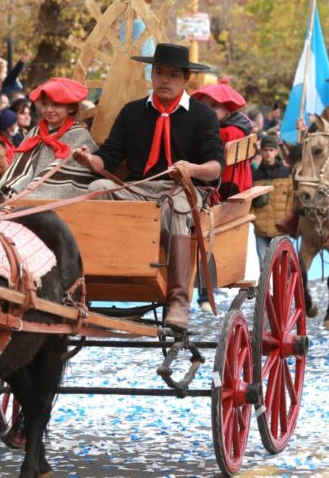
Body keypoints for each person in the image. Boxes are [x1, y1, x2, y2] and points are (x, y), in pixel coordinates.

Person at [75, 43, 224, 331]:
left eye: (173, 74)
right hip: (137, 188)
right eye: (159, 72)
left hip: (185, 189)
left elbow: (216, 166)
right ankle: (84, 284)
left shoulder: (202, 115)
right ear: (151, 75)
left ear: (185, 79)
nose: (165, 79)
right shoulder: (132, 112)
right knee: (95, 188)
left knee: (177, 208)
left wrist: (191, 170)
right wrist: (89, 159)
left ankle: (179, 301)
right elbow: (109, 158)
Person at [0, 78, 96, 199]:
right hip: (24, 194)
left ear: (71, 108)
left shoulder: (80, 135)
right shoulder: (35, 132)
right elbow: (20, 167)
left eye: (56, 104)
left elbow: (79, 175)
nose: (49, 110)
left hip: (61, 198)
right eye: (44, 104)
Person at [193, 82, 253, 200]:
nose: (208, 110)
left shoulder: (227, 132)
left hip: (222, 188)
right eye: (204, 105)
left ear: (227, 111)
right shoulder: (237, 128)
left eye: (214, 105)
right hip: (240, 184)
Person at [250, 135, 291, 257]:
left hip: (281, 228)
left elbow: (291, 198)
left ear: (276, 151)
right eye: (265, 150)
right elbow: (250, 200)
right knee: (264, 268)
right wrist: (255, 219)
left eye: (271, 150)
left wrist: (286, 219)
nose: (268, 153)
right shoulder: (254, 175)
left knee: (284, 267)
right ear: (261, 152)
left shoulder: (286, 172)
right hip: (261, 230)